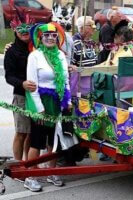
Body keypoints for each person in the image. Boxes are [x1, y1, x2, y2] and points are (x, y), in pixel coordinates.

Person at [25, 22, 71, 192]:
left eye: (53, 35)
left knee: (54, 140)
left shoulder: (60, 55)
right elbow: (32, 85)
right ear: (40, 38)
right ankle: (30, 176)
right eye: (46, 35)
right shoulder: (34, 56)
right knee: (37, 140)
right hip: (40, 101)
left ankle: (51, 172)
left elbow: (65, 80)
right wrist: (39, 109)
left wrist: (67, 101)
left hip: (57, 101)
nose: (51, 38)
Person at [4, 8, 36, 162]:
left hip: (37, 97)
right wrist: (22, 83)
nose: (25, 31)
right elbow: (9, 76)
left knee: (31, 132)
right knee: (21, 132)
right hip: (21, 96)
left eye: (28, 28)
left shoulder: (37, 48)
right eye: (20, 29)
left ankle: (27, 162)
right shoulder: (11, 51)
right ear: (15, 30)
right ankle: (18, 164)